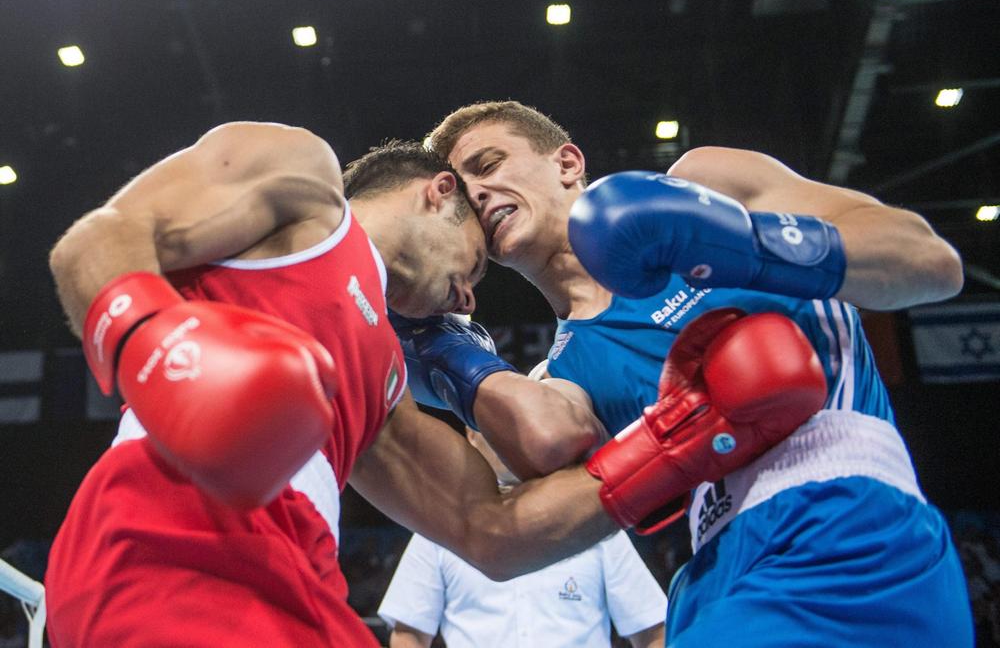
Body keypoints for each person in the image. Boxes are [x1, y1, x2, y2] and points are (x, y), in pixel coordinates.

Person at [43, 123, 822, 646]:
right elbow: (99, 240)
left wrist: (689, 434)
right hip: (164, 545)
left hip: (303, 583)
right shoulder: (305, 188)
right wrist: (169, 356)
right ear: (439, 191)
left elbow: (491, 528)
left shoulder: (385, 382)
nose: (470, 297)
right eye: (477, 264)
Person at [412, 100, 974, 646]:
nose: (478, 192)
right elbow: (503, 528)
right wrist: (441, 346)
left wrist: (744, 244)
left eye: (488, 166)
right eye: (462, 192)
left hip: (852, 530)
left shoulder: (710, 184)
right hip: (713, 574)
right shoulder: (562, 379)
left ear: (567, 163)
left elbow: (932, 264)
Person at [378, 428, 667, 648]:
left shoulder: (593, 522)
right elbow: (409, 633)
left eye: (515, 431)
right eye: (492, 430)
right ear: (471, 435)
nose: (506, 442)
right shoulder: (439, 529)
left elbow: (652, 630)